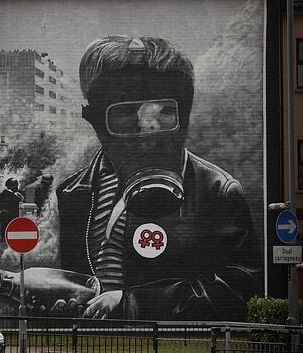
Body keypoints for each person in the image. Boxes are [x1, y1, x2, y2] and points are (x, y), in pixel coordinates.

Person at [54, 35, 259, 320]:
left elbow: (238, 288)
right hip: (94, 342)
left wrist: (133, 304)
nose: (149, 127)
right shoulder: (74, 193)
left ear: (183, 116)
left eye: (165, 111)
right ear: (95, 119)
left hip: (167, 343)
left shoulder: (216, 191)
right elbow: (74, 280)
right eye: (126, 111)